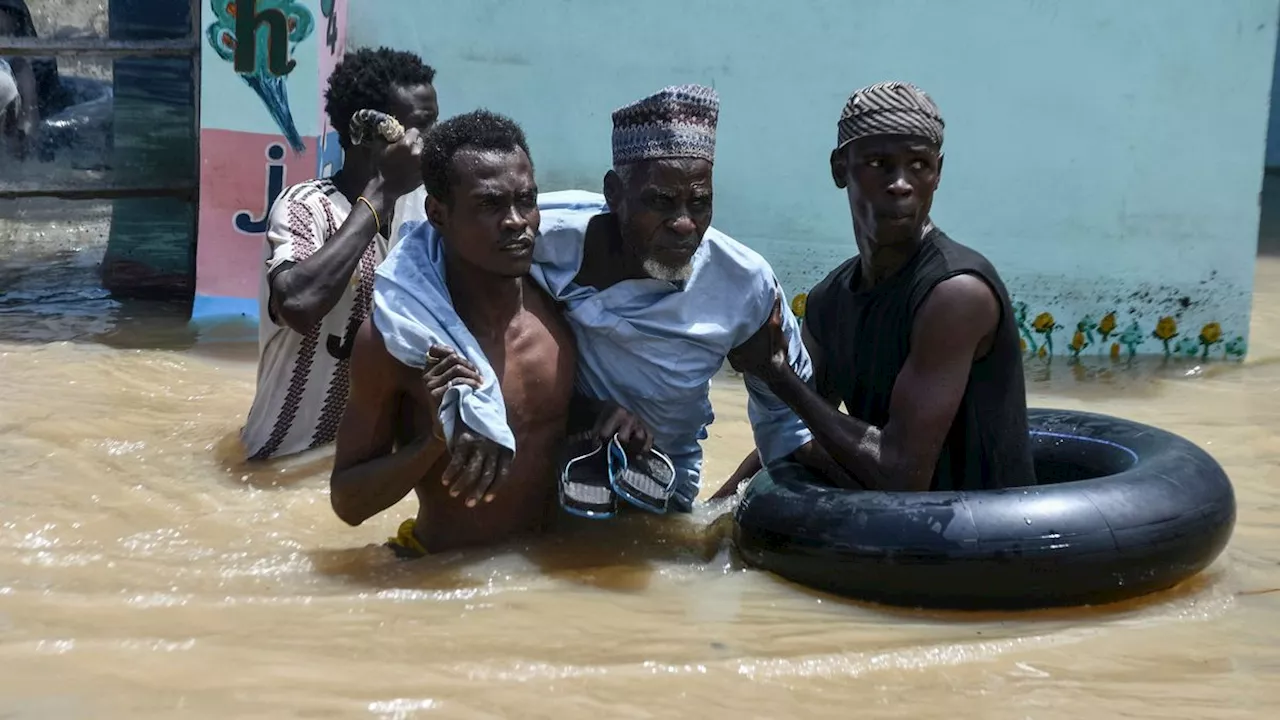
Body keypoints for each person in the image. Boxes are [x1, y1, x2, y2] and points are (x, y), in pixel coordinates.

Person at [401, 84, 845, 513]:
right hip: (546, 478)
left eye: (700, 202)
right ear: (614, 194)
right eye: (662, 202)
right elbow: (421, 257)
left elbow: (787, 425)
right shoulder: (539, 235)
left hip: (663, 489)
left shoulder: (744, 285)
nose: (684, 224)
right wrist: (462, 387)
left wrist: (711, 520)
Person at [714, 81, 1035, 496]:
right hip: (893, 530)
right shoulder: (830, 301)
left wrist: (778, 375)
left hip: (985, 541)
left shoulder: (956, 294)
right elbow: (796, 434)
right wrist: (710, 516)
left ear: (938, 174)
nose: (901, 183)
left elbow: (903, 475)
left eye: (918, 165)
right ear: (839, 169)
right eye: (880, 163)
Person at [329, 109, 578, 555]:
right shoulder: (398, 343)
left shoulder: (561, 311)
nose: (517, 221)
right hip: (440, 583)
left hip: (545, 578)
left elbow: (554, 427)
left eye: (526, 200)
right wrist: (434, 443)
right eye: (490, 204)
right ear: (438, 214)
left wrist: (611, 420)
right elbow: (347, 503)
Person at [240, 48, 439, 462]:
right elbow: (297, 303)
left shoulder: (427, 211)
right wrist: (381, 194)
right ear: (370, 132)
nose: (430, 142)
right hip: (280, 462)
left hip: (363, 468)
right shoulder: (304, 207)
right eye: (419, 128)